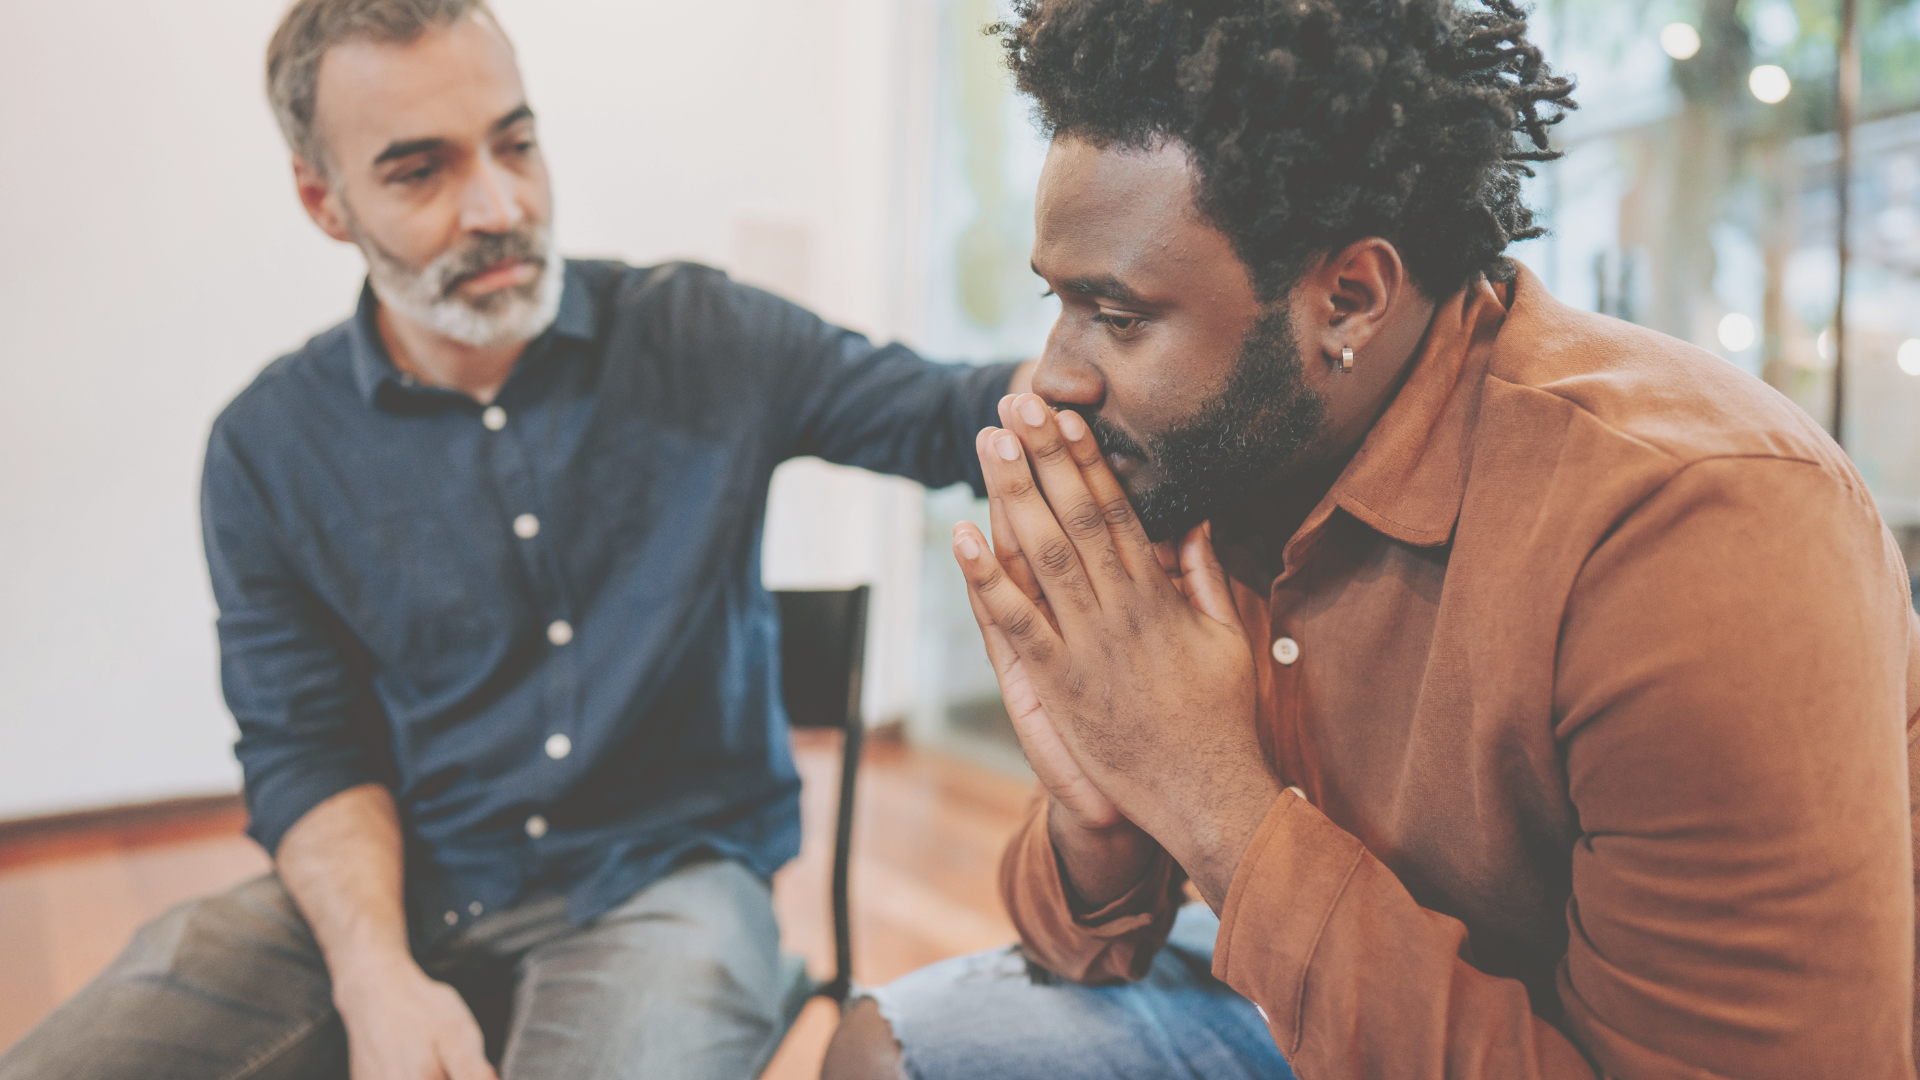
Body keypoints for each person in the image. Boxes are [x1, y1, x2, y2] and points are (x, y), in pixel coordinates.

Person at [823, 1, 1920, 1078]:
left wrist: (1205, 795)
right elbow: (1081, 951)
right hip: (1328, 978)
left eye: (1117, 316)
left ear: (1349, 296)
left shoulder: (1695, 526)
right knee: (883, 1056)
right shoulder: (1221, 459)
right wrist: (1100, 809)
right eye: (1060, 301)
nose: (1055, 373)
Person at [0, 2, 1030, 1079]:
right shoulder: (267, 448)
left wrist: (1140, 359)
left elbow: (946, 409)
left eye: (517, 144)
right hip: (407, 879)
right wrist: (375, 976)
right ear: (324, 199)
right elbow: (305, 748)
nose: (498, 206)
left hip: (669, 884)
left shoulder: (700, 333)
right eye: (419, 172)